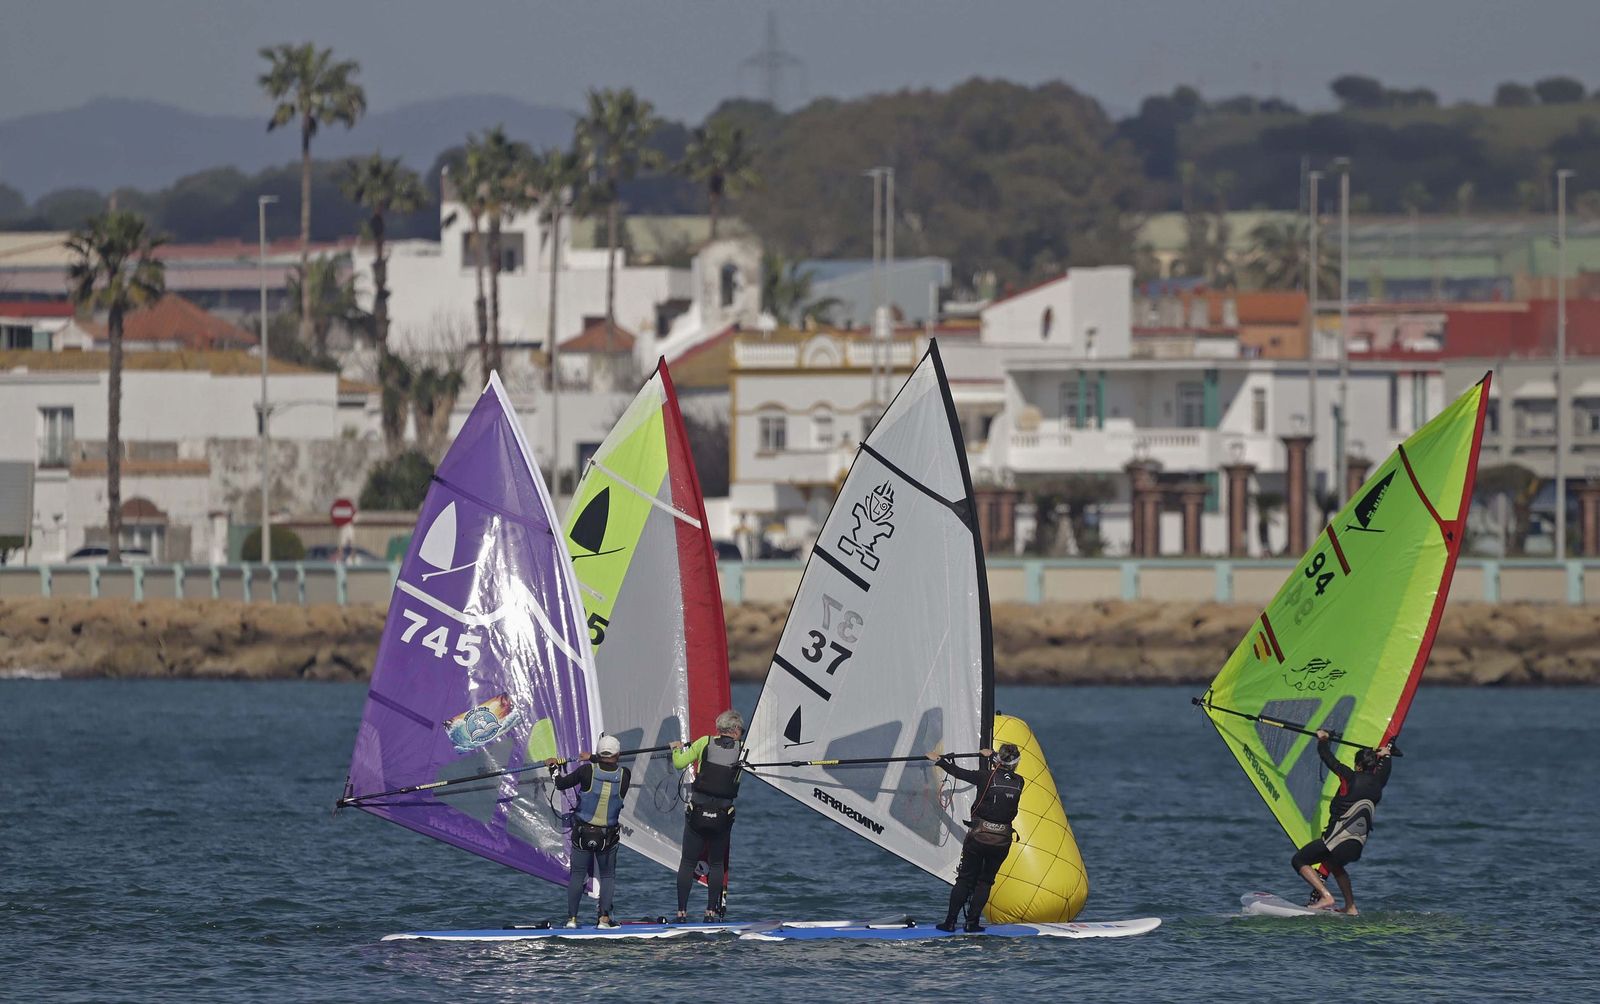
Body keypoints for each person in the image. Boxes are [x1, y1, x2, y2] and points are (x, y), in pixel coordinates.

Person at [1291, 729, 1393, 915]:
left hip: (1336, 841)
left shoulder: (1350, 776)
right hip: (1357, 845)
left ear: (1358, 766)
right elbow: (1386, 763)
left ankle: (1325, 896)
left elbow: (1328, 758)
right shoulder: (1379, 781)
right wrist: (1385, 754)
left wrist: (1323, 739)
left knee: (1299, 859)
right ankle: (1351, 907)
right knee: (1335, 865)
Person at [925, 742, 1025, 932]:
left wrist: (939, 761)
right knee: (985, 881)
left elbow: (959, 773)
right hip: (1002, 841)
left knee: (965, 880)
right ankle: (972, 923)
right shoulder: (1020, 781)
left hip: (978, 838)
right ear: (1016, 764)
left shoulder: (984, 776)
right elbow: (1004, 767)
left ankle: (950, 923)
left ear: (997, 760)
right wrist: (993, 755)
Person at [546, 735, 631, 929]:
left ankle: (572, 920)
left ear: (599, 753)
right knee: (608, 875)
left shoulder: (586, 771)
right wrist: (592, 757)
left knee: (577, 874)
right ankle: (604, 920)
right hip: (607, 836)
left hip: (583, 833)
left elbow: (559, 784)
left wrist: (552, 767)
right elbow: (608, 764)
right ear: (618, 754)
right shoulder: (625, 774)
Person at [668, 709, 744, 922]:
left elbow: (679, 764)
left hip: (698, 814)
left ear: (720, 729)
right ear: (736, 730)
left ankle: (681, 913)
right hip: (722, 817)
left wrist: (676, 749)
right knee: (717, 864)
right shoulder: (744, 750)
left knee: (688, 862)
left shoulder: (704, 742)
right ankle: (710, 912)